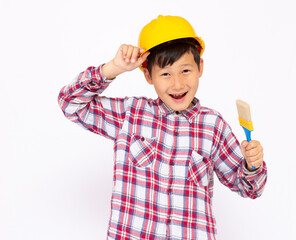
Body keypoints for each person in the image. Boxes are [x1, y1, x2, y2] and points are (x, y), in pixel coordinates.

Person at [58, 15, 267, 240]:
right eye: (165, 74)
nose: (177, 84)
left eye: (185, 71)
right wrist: (113, 68)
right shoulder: (131, 114)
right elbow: (70, 103)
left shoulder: (212, 126)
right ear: (148, 75)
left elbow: (249, 188)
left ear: (200, 68)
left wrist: (252, 165)